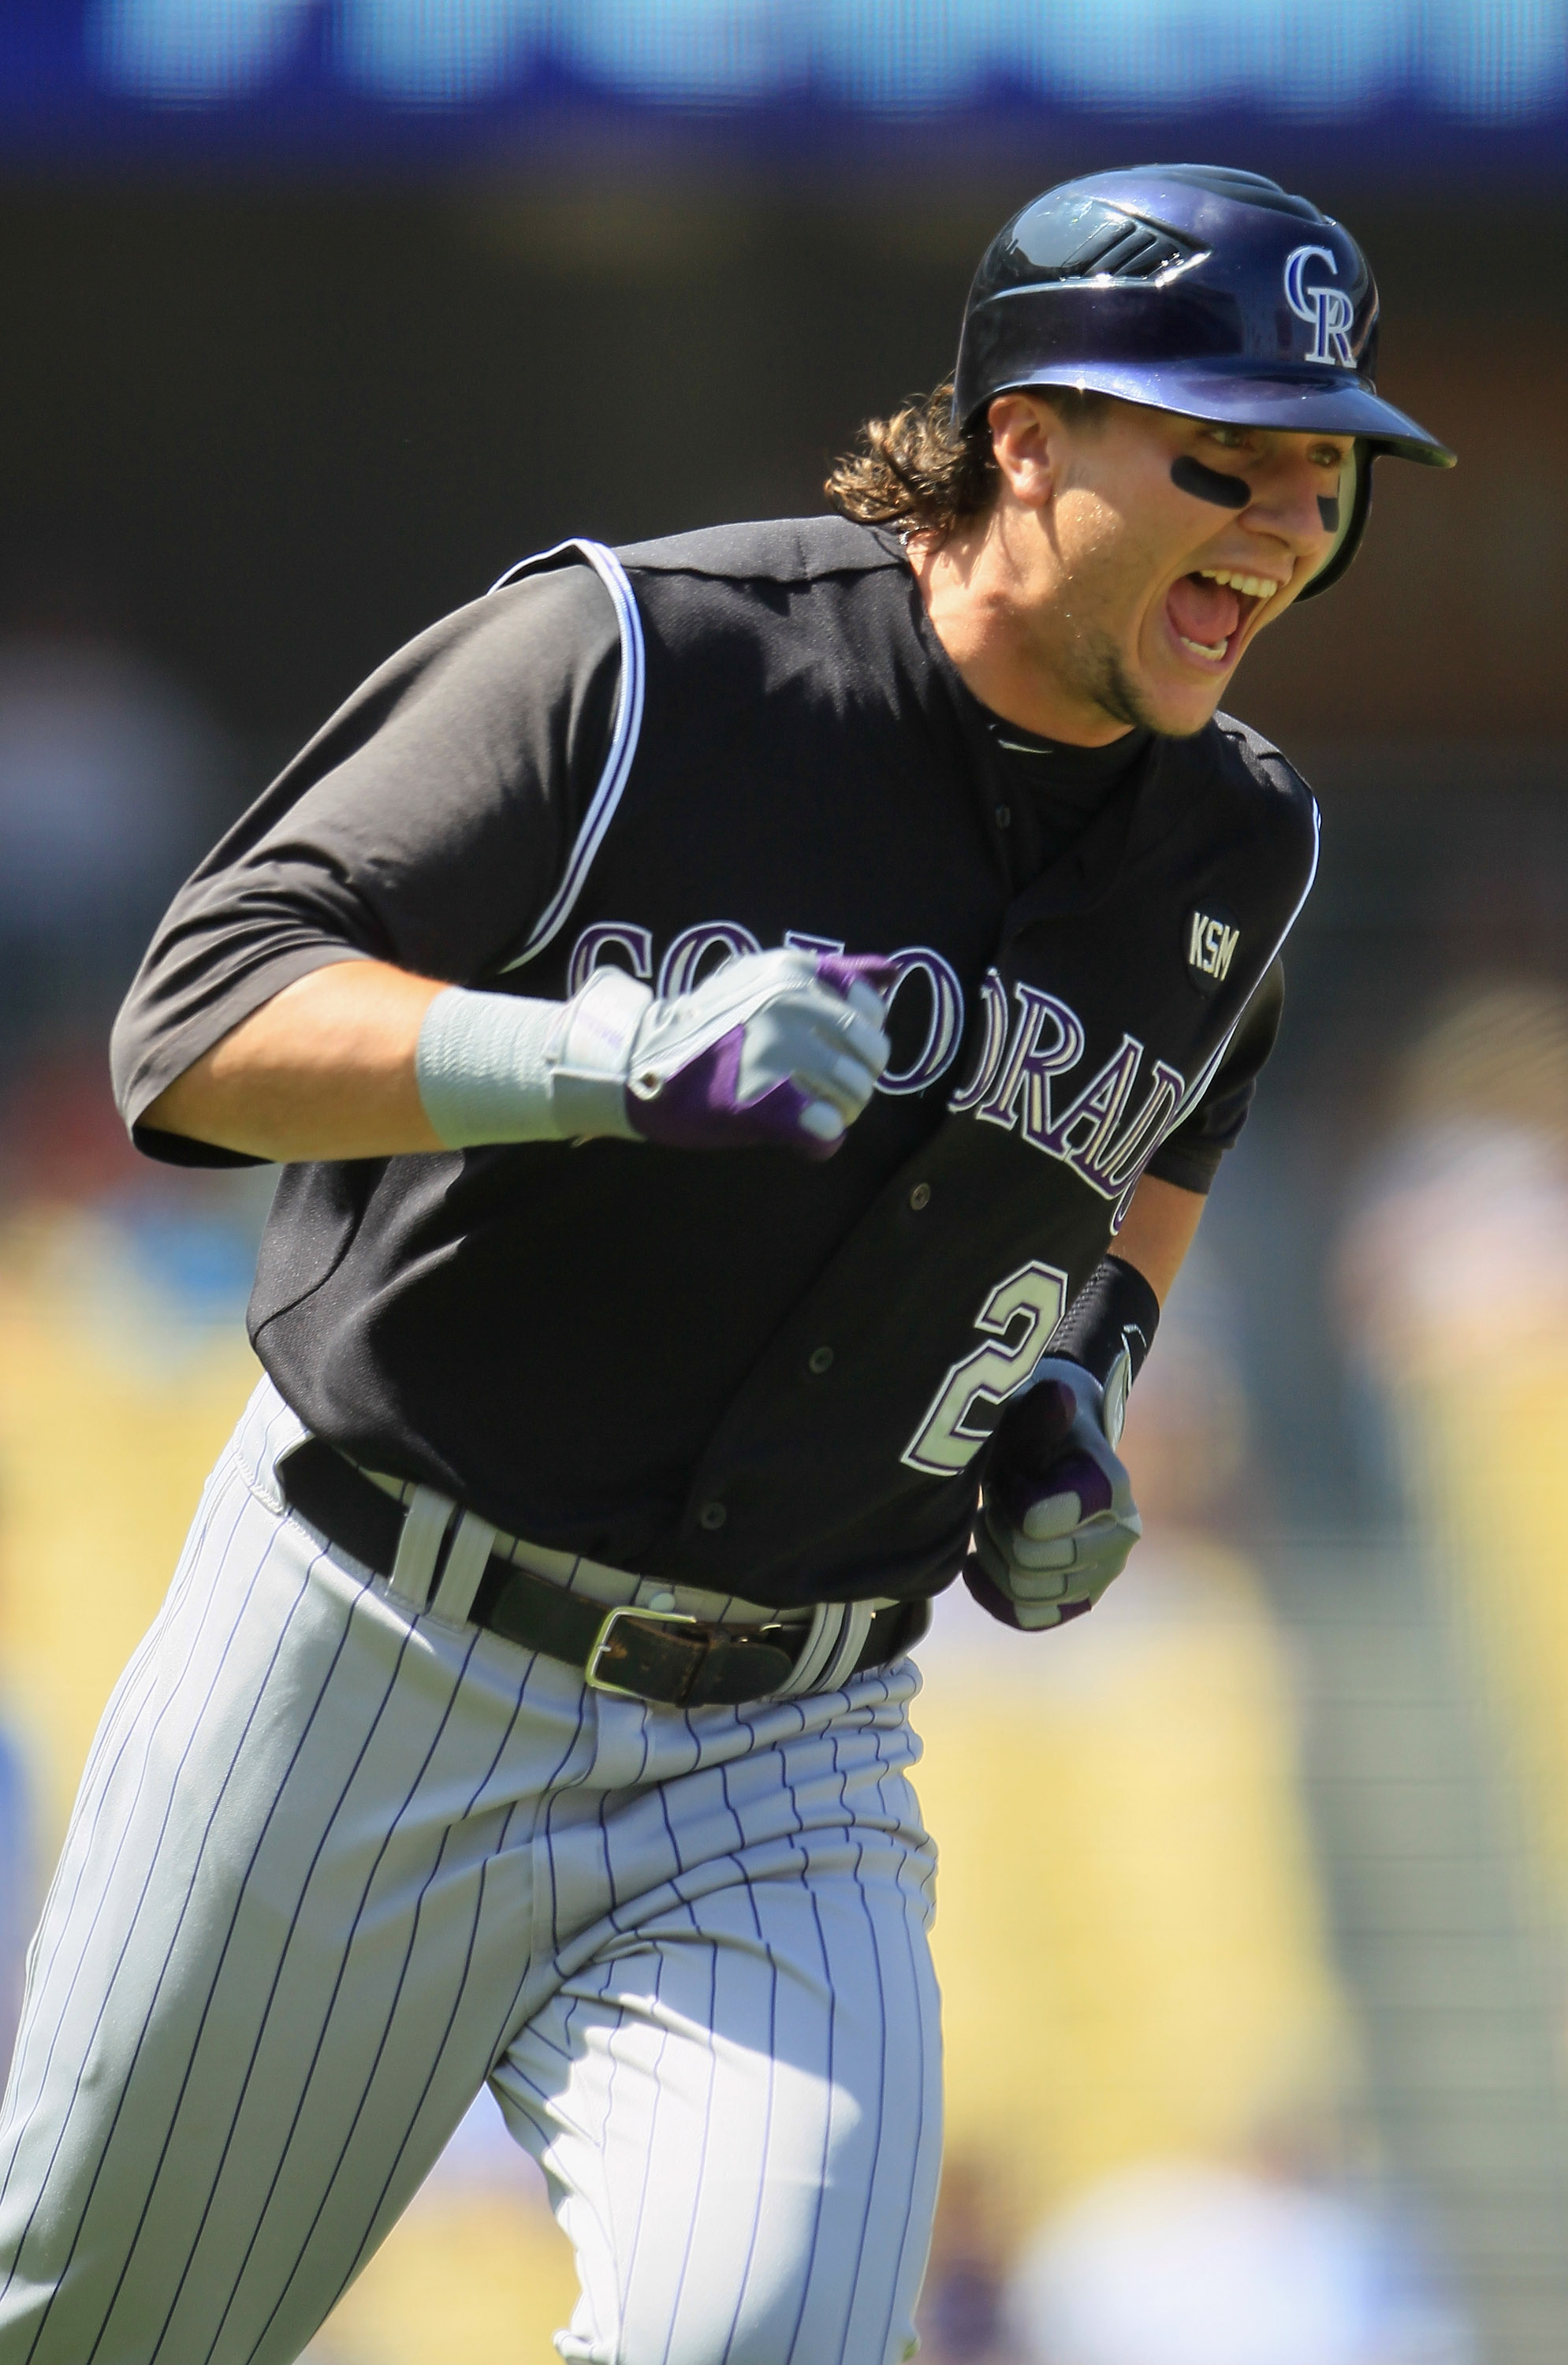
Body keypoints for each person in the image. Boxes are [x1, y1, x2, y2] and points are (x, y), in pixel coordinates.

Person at [0, 165, 1451, 2365]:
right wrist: (592, 1056)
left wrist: (1084, 1380)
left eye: (1324, 475)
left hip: (791, 1747)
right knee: (98, 2336)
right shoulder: (651, 658)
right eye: (1220, 457)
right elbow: (193, 1023)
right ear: (1028, 434)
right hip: (371, 1655)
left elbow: (1177, 1127)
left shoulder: (1245, 838)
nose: (1278, 528)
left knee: (769, 2334)